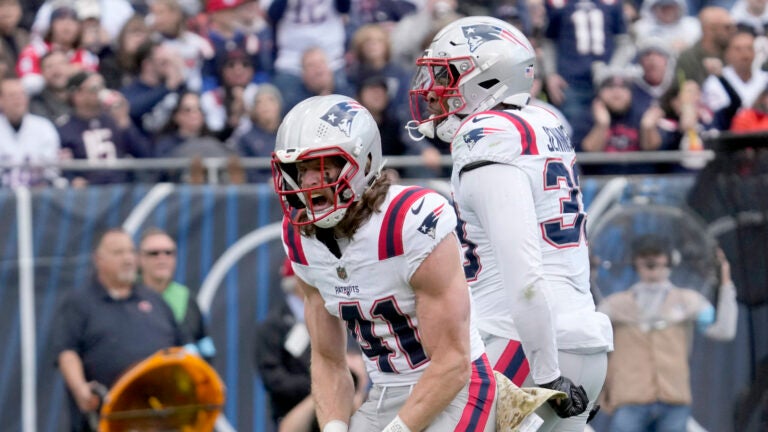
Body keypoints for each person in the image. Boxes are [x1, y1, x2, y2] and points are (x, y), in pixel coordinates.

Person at [409, 16, 613, 432]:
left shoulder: (486, 135)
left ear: (486, 80)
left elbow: (524, 273)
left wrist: (547, 372)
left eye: (447, 76)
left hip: (522, 345)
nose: (433, 91)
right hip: (583, 341)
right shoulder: (546, 123)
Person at [271, 94, 497, 432]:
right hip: (385, 393)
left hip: (457, 390)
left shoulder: (409, 221)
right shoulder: (300, 238)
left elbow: (452, 362)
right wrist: (334, 426)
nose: (309, 183)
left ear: (363, 161)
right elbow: (329, 359)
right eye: (299, 170)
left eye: (323, 167)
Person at [597, 235, 738, 432]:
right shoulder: (615, 305)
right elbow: (590, 336)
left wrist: (725, 280)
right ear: (634, 261)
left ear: (670, 259)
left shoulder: (688, 301)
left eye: (657, 254)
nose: (651, 260)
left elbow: (724, 330)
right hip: (630, 399)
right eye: (644, 255)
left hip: (674, 400)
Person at [50, 228, 182, 431]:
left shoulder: (154, 300)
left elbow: (179, 352)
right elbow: (67, 351)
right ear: (99, 259)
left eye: (131, 251)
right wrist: (79, 388)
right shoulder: (80, 303)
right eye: (118, 252)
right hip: (105, 418)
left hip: (157, 420)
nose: (128, 259)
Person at [254, 258, 368, 431]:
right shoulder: (272, 328)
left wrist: (355, 368)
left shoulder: (339, 314)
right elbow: (274, 379)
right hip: (294, 411)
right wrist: (317, 383)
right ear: (300, 281)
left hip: (343, 400)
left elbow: (356, 356)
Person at [138, 227, 215, 361]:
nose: (162, 258)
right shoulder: (127, 296)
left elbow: (205, 346)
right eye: (153, 253)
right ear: (139, 258)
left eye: (168, 252)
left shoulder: (186, 298)